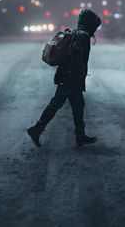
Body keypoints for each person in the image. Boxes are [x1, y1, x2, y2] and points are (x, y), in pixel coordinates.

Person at [27, 9, 102, 148]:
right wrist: (77, 76)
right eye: (94, 26)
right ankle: (36, 129)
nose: (95, 30)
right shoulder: (82, 36)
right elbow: (76, 57)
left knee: (77, 105)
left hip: (68, 76)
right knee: (56, 104)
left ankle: (80, 136)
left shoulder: (76, 33)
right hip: (70, 78)